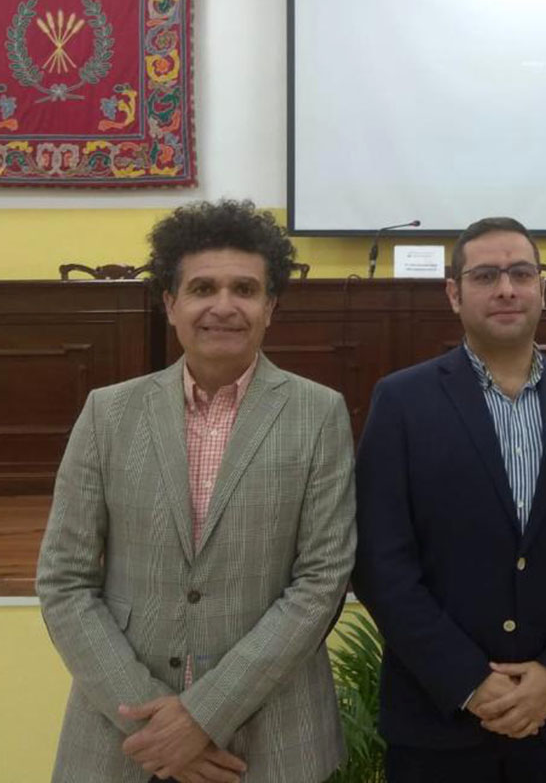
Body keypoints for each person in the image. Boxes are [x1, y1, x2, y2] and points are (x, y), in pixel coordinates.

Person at [36, 199, 357, 783]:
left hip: (271, 741)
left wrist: (201, 718)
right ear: (170, 304)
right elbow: (64, 581)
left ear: (270, 307)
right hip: (124, 741)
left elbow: (320, 583)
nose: (224, 306)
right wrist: (153, 726)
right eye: (203, 287)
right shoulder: (108, 413)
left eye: (245, 289)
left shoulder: (319, 413)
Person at [353, 216, 546, 782]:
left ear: (542, 288)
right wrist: (468, 682)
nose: (506, 288)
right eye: (485, 275)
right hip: (439, 723)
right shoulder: (402, 401)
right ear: (454, 293)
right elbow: (381, 562)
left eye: (520, 273)